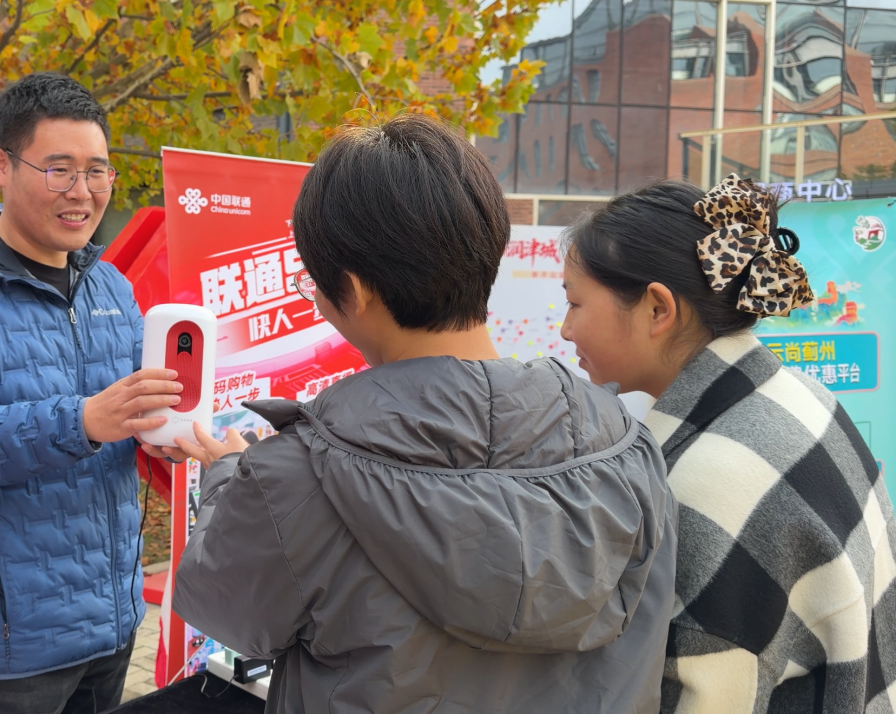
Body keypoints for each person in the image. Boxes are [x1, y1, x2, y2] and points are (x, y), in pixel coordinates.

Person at [156, 114, 678, 713]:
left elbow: (228, 610)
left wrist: (229, 476)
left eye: (316, 282)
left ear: (356, 289)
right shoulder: (625, 445)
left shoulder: (294, 479)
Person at [0, 72, 183, 714]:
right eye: (59, 170)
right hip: (4, 650)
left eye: (98, 171)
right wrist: (81, 422)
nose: (83, 193)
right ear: (2, 165)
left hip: (112, 625)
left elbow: (128, 423)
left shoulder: (111, 288)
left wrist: (169, 440)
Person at [559, 175, 896, 713]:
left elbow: (705, 697)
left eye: (574, 303)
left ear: (657, 310)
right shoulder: (802, 395)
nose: (564, 329)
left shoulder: (700, 481)